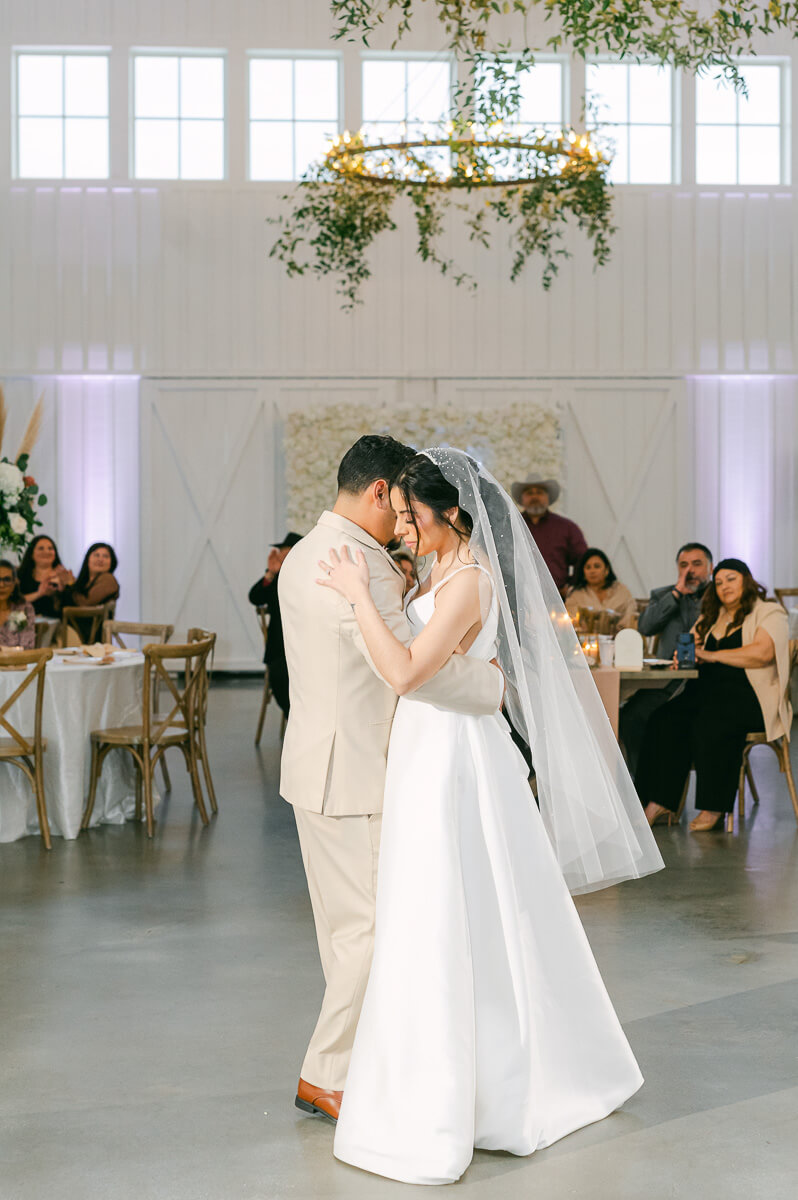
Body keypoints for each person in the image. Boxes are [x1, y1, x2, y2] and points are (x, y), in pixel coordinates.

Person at [319, 448, 663, 1186]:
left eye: (412, 518)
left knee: (447, 910)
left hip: (451, 758)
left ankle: (463, 1097)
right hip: (426, 748)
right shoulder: (440, 572)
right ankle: (451, 1076)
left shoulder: (470, 581)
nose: (404, 529)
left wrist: (356, 596)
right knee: (437, 908)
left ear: (452, 513)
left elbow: (410, 672)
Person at [278, 436, 504, 1127]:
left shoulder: (309, 551)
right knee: (368, 936)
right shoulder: (359, 566)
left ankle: (362, 1061)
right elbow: (405, 669)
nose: (402, 524)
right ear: (378, 491)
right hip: (356, 773)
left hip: (319, 760)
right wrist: (490, 685)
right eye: (398, 507)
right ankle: (327, 1075)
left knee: (346, 932)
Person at [635, 559, 791, 832]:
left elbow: (762, 653)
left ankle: (713, 805)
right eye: (718, 582)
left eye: (731, 579)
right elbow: (691, 648)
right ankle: (658, 800)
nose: (724, 587)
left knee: (711, 722)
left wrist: (710, 655)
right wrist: (683, 657)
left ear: (747, 579)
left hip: (749, 696)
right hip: (705, 691)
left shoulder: (769, 611)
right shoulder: (712, 615)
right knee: (663, 718)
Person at [619, 542, 713, 774]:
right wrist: (676, 594)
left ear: (710, 567)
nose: (689, 570)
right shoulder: (663, 595)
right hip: (666, 683)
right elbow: (646, 626)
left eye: (697, 564)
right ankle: (641, 782)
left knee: (667, 720)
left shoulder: (718, 596)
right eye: (684, 565)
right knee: (630, 716)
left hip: (706, 680)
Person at [248, 533, 301, 717]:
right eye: (281, 554)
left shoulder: (308, 576)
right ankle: (293, 717)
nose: (282, 557)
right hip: (279, 649)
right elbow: (254, 597)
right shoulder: (276, 578)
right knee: (280, 675)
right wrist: (270, 573)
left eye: (287, 554)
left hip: (306, 647)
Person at [511, 474, 587, 594]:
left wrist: (571, 586)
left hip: (559, 599)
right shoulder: (510, 525)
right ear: (522, 499)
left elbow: (583, 560)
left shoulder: (566, 527)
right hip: (519, 598)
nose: (534, 496)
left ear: (548, 497)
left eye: (539, 492)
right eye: (529, 493)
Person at [565, 548, 637, 629]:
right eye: (588, 567)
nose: (592, 571)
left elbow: (630, 617)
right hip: (584, 640)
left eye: (597, 566)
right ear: (583, 573)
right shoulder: (576, 594)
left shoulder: (621, 591)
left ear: (606, 570)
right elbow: (572, 622)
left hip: (619, 639)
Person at [17, 534, 74, 618]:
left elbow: (73, 605)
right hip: (26, 624)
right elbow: (12, 602)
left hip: (58, 625)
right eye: (41, 548)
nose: (46, 552)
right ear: (31, 554)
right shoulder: (20, 575)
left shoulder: (64, 575)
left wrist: (64, 588)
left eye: (50, 548)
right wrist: (39, 594)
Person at [67, 543, 120, 609]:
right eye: (96, 555)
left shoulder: (108, 579)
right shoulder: (86, 581)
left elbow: (85, 604)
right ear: (87, 559)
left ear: (112, 562)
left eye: (106, 556)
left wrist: (70, 584)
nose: (100, 559)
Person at [0, 561, 36, 649]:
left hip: (17, 661)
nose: (1, 585)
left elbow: (27, 646)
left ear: (14, 584)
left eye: (7, 580)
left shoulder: (24, 609)